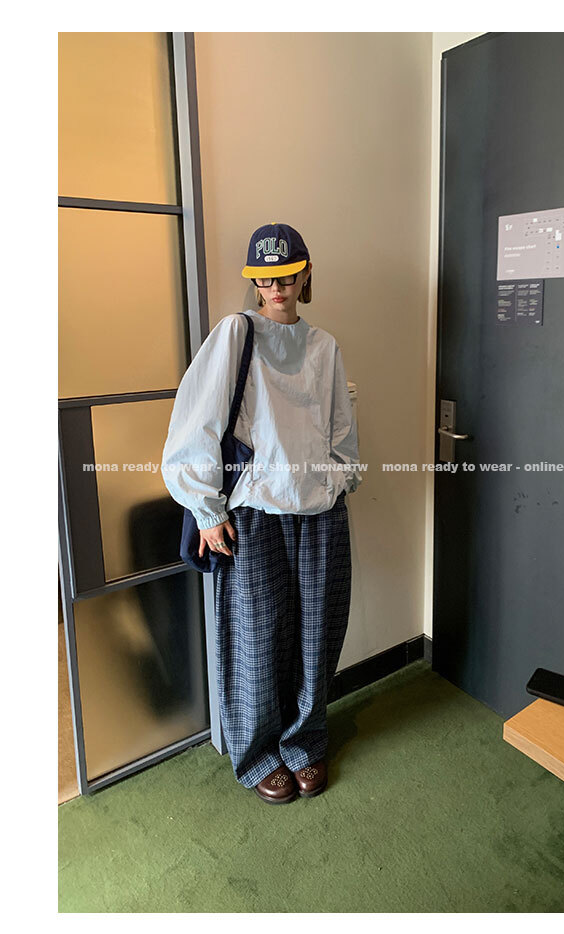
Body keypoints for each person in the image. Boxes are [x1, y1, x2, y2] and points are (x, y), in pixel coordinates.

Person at [161, 222, 362, 804]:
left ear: (305, 273)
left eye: (288, 274)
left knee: (317, 635)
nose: (277, 286)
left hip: (320, 512)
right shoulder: (236, 333)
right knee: (256, 637)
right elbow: (196, 420)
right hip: (252, 514)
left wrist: (337, 481)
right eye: (266, 277)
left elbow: (341, 431)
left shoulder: (324, 346)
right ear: (254, 280)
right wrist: (206, 510)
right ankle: (256, 754)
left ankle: (305, 742)